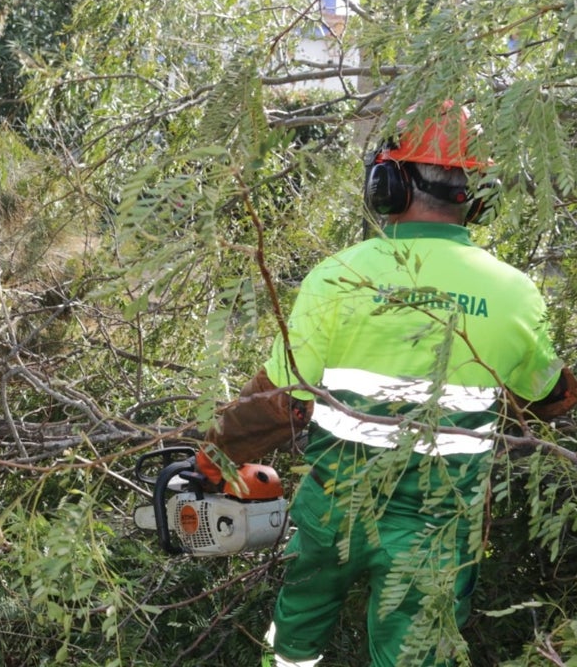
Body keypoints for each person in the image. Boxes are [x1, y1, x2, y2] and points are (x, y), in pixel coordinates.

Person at [195, 103, 576, 667]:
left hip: (331, 511)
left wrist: (213, 455)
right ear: (474, 195)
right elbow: (549, 398)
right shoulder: (515, 293)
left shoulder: (336, 276)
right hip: (439, 530)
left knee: (296, 632)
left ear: (387, 185)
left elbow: (278, 402)